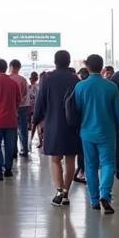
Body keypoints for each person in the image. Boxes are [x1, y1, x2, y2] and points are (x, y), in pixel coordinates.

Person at [72, 53, 119, 213]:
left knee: (91, 165)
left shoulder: (80, 86)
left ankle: (94, 200)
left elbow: (77, 110)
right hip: (107, 132)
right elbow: (118, 111)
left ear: (87, 67)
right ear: (102, 67)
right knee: (108, 164)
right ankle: (105, 195)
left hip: (87, 132)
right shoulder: (111, 86)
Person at [32, 49, 80, 207]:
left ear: (55, 61)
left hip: (54, 123)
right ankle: (67, 192)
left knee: (55, 159)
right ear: (69, 61)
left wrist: (36, 119)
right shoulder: (75, 79)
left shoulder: (47, 79)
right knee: (71, 159)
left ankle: (59, 191)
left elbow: (40, 102)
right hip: (72, 124)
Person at [8, 59, 31, 159]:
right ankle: (24, 150)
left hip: (11, 108)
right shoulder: (23, 79)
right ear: (19, 68)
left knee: (12, 130)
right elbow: (25, 95)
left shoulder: (8, 79)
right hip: (23, 108)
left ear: (11, 67)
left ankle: (13, 152)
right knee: (23, 130)